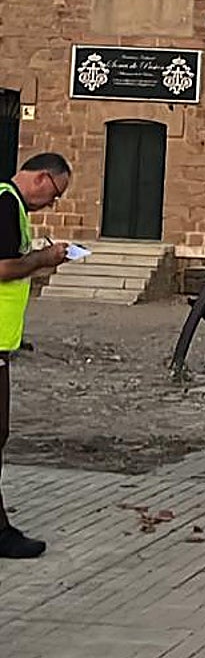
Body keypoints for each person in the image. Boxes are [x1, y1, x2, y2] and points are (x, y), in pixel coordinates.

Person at [0, 154, 71, 558]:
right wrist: (43, 260)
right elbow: (4, 267)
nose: (52, 204)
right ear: (42, 177)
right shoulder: (7, 202)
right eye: (55, 194)